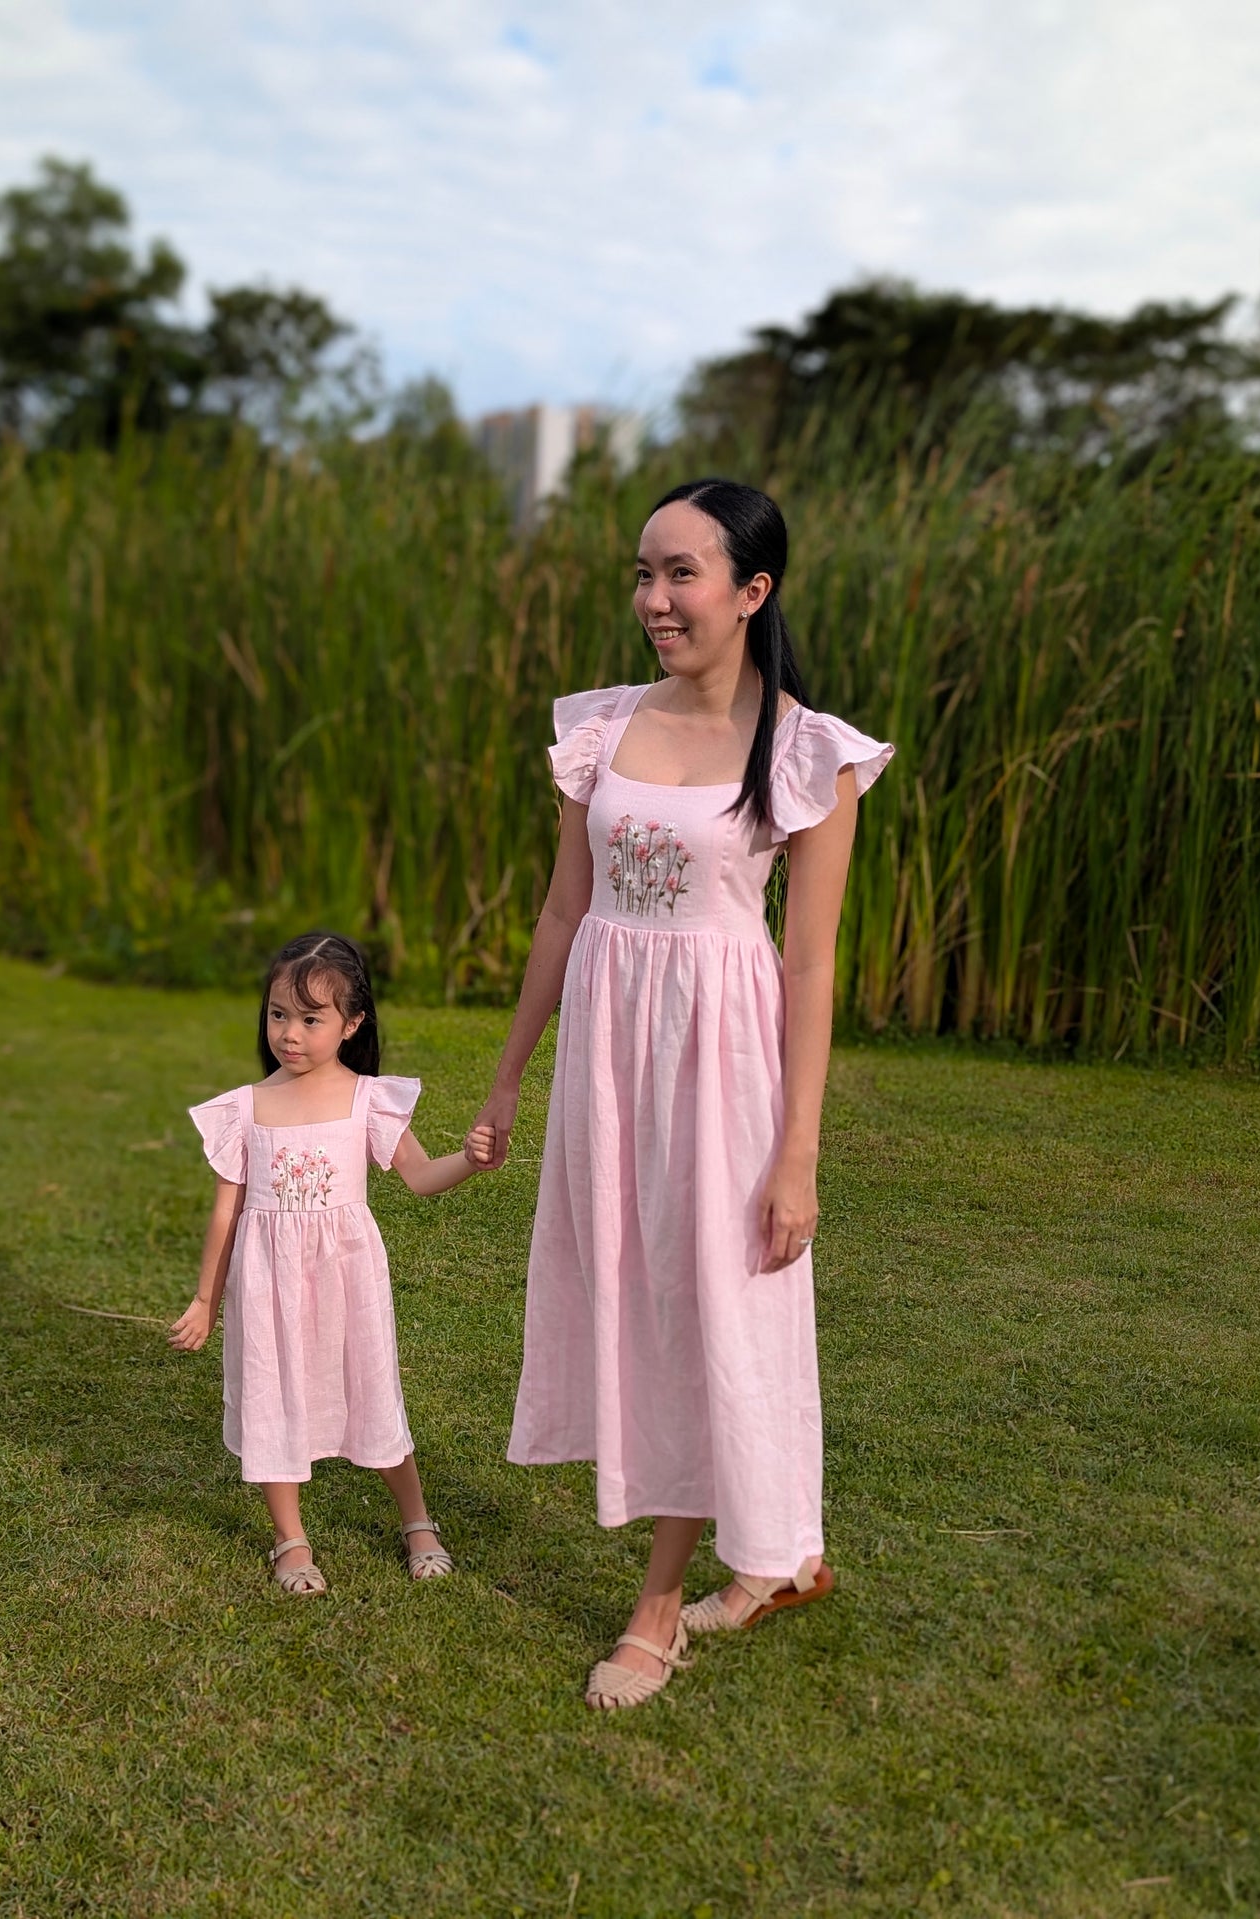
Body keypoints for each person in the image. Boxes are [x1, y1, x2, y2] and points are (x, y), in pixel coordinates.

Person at [472, 479, 893, 1708]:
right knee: (636, 1289)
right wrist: (508, 1075)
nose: (653, 599)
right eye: (642, 573)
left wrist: (797, 1152)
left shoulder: (806, 753)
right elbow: (564, 910)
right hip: (610, 1057)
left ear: (752, 590)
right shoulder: (602, 727)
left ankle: (659, 1607)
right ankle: (781, 1556)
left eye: (680, 575)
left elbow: (807, 965)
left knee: (708, 1307)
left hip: (724, 1065)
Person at [170, 930, 496, 1596]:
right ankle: (290, 1539)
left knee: (370, 1391)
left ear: (351, 1024)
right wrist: (205, 1299)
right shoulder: (244, 1109)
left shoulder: (366, 1100)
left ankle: (417, 1520)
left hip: (347, 1283)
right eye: (278, 1014)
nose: (289, 1033)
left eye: (310, 1019)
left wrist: (469, 1159)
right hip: (266, 1287)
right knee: (271, 1396)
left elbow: (420, 1177)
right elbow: (226, 1213)